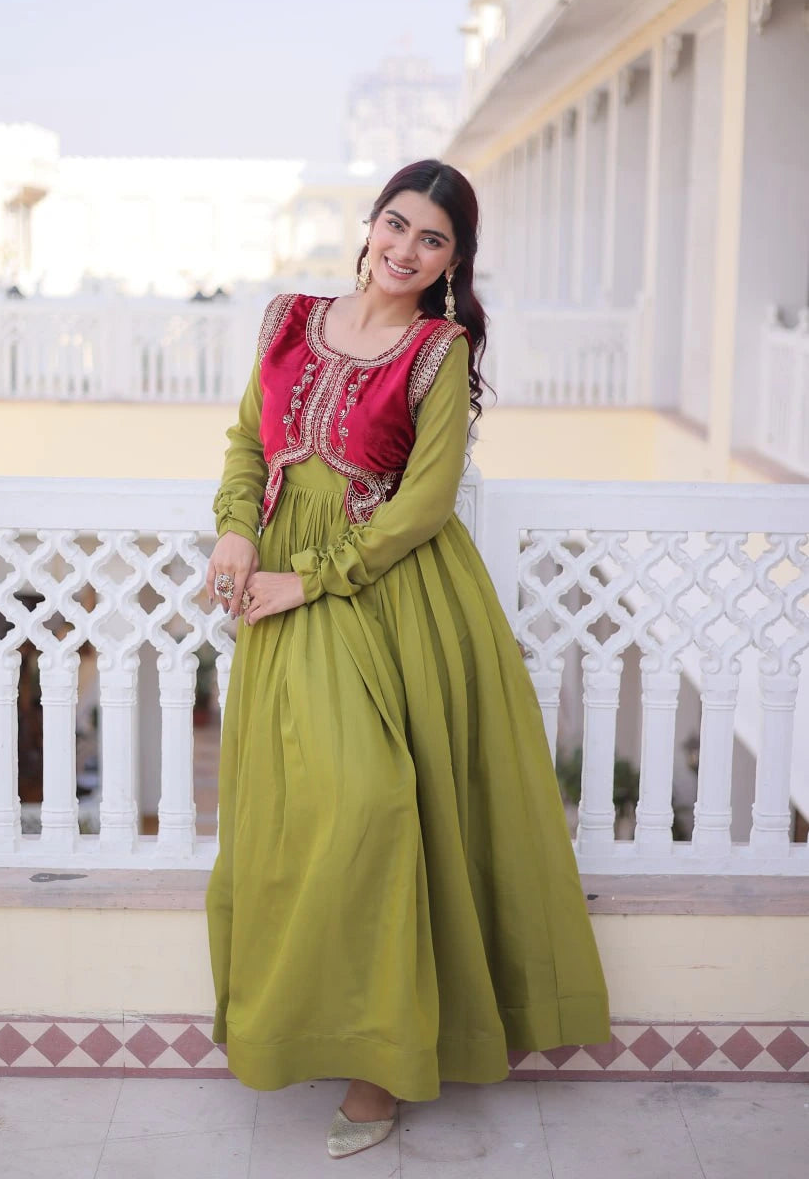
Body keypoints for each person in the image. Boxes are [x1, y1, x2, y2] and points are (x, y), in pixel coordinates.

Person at [204, 159, 611, 1160]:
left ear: (451, 261)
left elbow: (425, 502)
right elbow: (249, 446)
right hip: (278, 591)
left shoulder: (439, 347)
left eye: (432, 238)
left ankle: (381, 1065)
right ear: (370, 223)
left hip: (388, 595)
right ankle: (297, 1026)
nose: (404, 248)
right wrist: (233, 534)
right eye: (396, 223)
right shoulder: (286, 319)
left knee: (380, 803)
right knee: (295, 818)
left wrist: (315, 575)